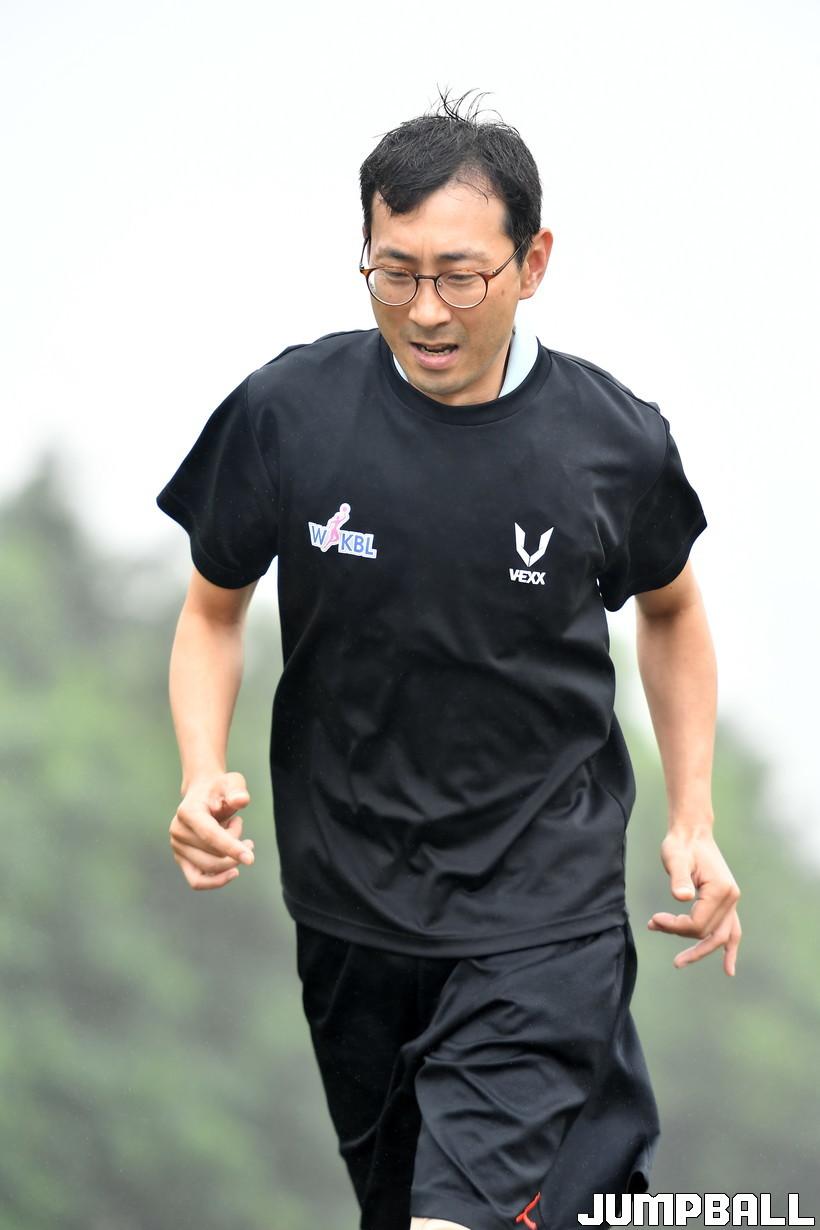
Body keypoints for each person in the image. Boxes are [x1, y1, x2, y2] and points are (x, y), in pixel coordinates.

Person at [156, 88, 741, 1230]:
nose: (425, 310)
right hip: (348, 912)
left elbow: (671, 612)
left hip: (541, 911)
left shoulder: (610, 443)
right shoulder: (288, 413)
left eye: (461, 277)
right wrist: (198, 769)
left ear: (533, 263)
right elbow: (214, 611)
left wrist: (693, 815)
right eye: (394, 273)